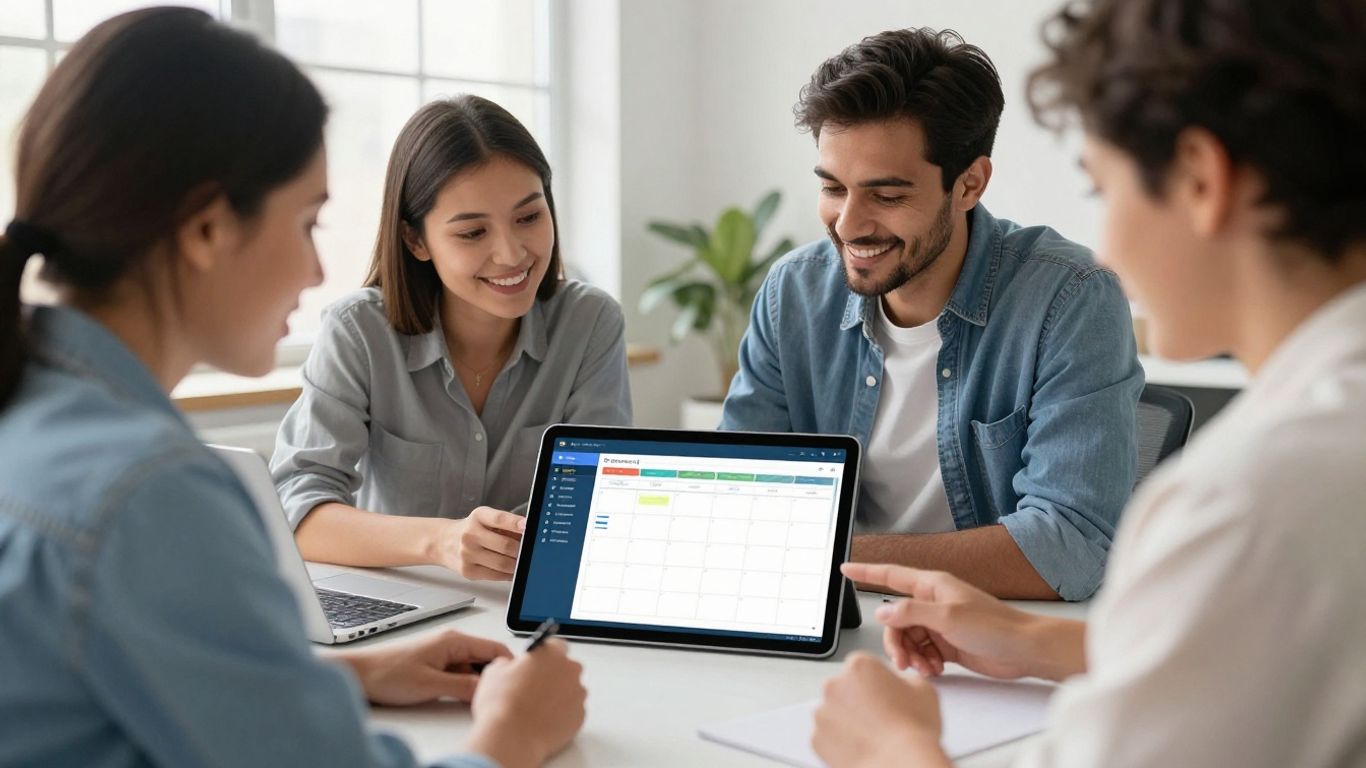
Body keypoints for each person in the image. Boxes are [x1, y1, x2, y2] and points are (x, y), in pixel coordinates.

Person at [0, 9, 584, 767]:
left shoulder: (32, 415)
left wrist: (345, 675)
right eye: (308, 223)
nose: (314, 272)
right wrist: (512, 737)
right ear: (207, 230)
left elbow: (103, 689)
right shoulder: (153, 492)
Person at [812, 0, 1366, 765]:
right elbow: (1249, 664)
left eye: (1104, 190)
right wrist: (1035, 639)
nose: (1105, 252)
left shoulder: (1247, 503)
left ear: (1201, 181)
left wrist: (889, 745)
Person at [720, 28, 1143, 601]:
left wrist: (828, 557)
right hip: (826, 615)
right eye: (834, 189)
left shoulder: (1069, 299)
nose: (848, 225)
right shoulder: (793, 293)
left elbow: (1068, 545)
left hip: (992, 629)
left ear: (969, 184)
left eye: (887, 196)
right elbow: (737, 499)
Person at [270, 95, 632, 582]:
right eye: (472, 233)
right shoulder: (359, 331)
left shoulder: (590, 322)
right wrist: (440, 542)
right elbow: (297, 511)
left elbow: (602, 499)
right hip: (404, 598)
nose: (511, 255)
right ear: (415, 240)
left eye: (529, 217)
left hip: (524, 601)